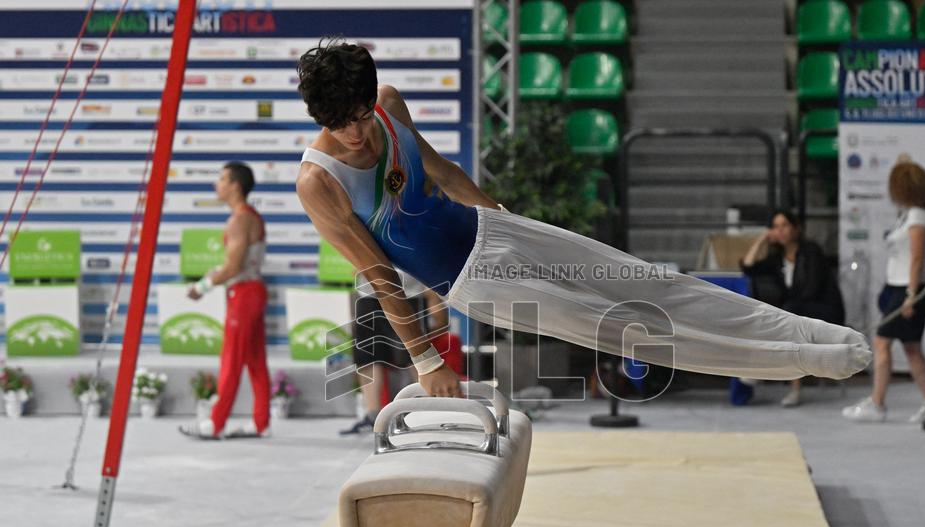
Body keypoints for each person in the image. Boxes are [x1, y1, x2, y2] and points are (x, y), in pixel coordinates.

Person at [294, 39, 871, 400]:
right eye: (342, 123)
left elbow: (442, 172)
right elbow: (380, 274)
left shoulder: (389, 104)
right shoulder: (320, 182)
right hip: (473, 281)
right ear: (322, 119)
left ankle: (805, 331)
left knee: (650, 281)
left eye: (363, 115)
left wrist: (502, 217)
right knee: (630, 322)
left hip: (495, 232)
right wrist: (426, 360)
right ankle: (801, 360)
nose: (357, 132)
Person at [843, 159, 925, 424]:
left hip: (908, 290)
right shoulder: (906, 216)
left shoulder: (919, 216)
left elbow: (917, 259)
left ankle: (877, 403)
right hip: (894, 287)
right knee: (911, 349)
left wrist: (910, 296)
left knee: (882, 343)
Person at [180, 162, 271, 439]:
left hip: (244, 294)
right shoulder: (247, 216)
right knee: (255, 361)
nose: (216, 185)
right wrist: (219, 274)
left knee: (231, 360)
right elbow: (236, 266)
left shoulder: (240, 220)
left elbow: (233, 268)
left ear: (235, 185)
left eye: (221, 179)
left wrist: (202, 286)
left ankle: (214, 424)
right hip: (249, 290)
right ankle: (260, 422)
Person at [740, 210, 844, 407]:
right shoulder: (777, 258)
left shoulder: (811, 251)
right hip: (797, 313)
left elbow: (811, 289)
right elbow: (748, 267)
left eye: (784, 225)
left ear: (796, 228)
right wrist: (763, 239)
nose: (780, 231)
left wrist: (783, 312)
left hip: (825, 311)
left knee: (788, 316)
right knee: (787, 323)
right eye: (775, 227)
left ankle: (760, 366)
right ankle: (792, 388)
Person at [340, 271, 451, 435]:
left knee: (417, 355)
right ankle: (373, 416)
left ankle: (434, 411)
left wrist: (433, 296)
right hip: (370, 291)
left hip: (409, 292)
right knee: (367, 356)